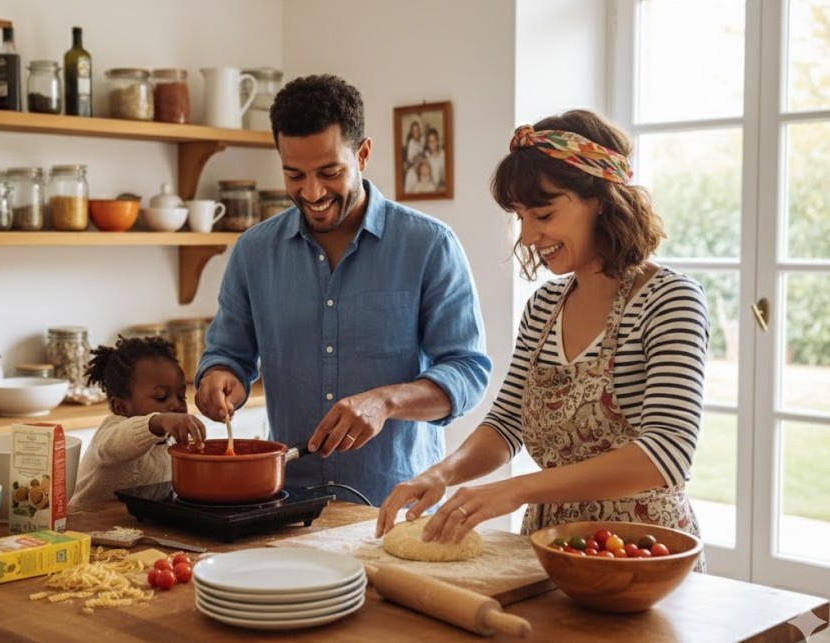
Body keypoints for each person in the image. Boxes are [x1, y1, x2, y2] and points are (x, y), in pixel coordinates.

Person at [376, 109, 709, 570]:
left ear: (601, 199)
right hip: (550, 549)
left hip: (643, 556)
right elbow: (507, 424)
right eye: (520, 217)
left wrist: (517, 490)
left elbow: (666, 453)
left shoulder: (669, 300)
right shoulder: (544, 308)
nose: (529, 236)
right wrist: (441, 473)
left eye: (544, 214)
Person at [194, 74, 491, 507]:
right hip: (286, 506)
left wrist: (386, 401)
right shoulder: (253, 252)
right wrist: (219, 378)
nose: (312, 192)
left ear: (363, 154)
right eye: (294, 175)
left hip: (396, 508)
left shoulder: (430, 245)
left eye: (329, 173)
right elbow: (228, 354)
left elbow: (467, 372)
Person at [69, 336, 207, 511]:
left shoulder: (171, 444)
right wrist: (158, 421)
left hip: (131, 522)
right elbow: (113, 446)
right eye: (161, 397)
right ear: (120, 407)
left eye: (181, 397)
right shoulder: (111, 430)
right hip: (84, 521)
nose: (176, 405)